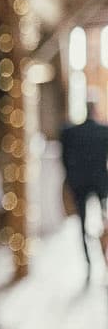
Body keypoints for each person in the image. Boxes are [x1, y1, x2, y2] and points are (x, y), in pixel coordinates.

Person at [60, 97, 108, 282]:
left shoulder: (70, 132)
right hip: (99, 183)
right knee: (104, 221)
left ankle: (89, 261)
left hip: (80, 182)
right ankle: (103, 258)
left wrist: (71, 178)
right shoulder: (103, 130)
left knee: (83, 223)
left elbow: (64, 159)